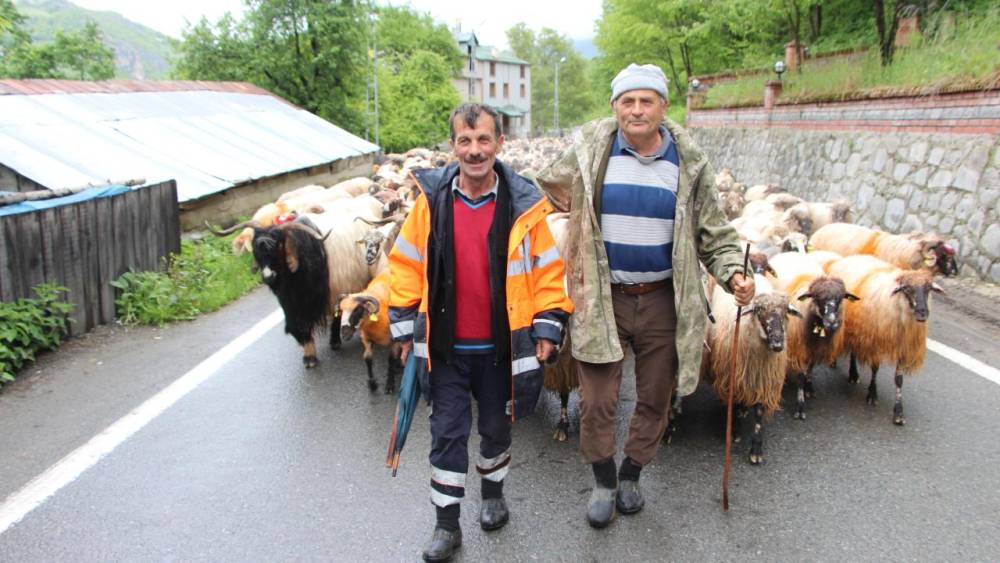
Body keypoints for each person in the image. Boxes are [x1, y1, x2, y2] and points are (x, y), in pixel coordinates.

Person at [535, 63, 755, 528]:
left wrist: (734, 272)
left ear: (663, 107)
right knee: (596, 399)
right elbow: (544, 190)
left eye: (646, 100)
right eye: (627, 101)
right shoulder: (590, 153)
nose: (636, 110)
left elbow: (714, 231)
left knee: (656, 395)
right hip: (603, 295)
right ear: (615, 107)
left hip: (663, 298)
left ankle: (633, 470)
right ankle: (603, 479)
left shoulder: (689, 163)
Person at [388, 103, 573, 561]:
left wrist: (547, 325)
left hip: (501, 347)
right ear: (453, 146)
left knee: (495, 428)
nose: (474, 151)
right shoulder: (430, 204)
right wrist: (403, 326)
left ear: (499, 144)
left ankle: (493, 494)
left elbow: (548, 273)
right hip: (447, 348)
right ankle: (446, 524)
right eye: (465, 141)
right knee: (447, 433)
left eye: (484, 140)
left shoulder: (524, 209)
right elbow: (407, 265)